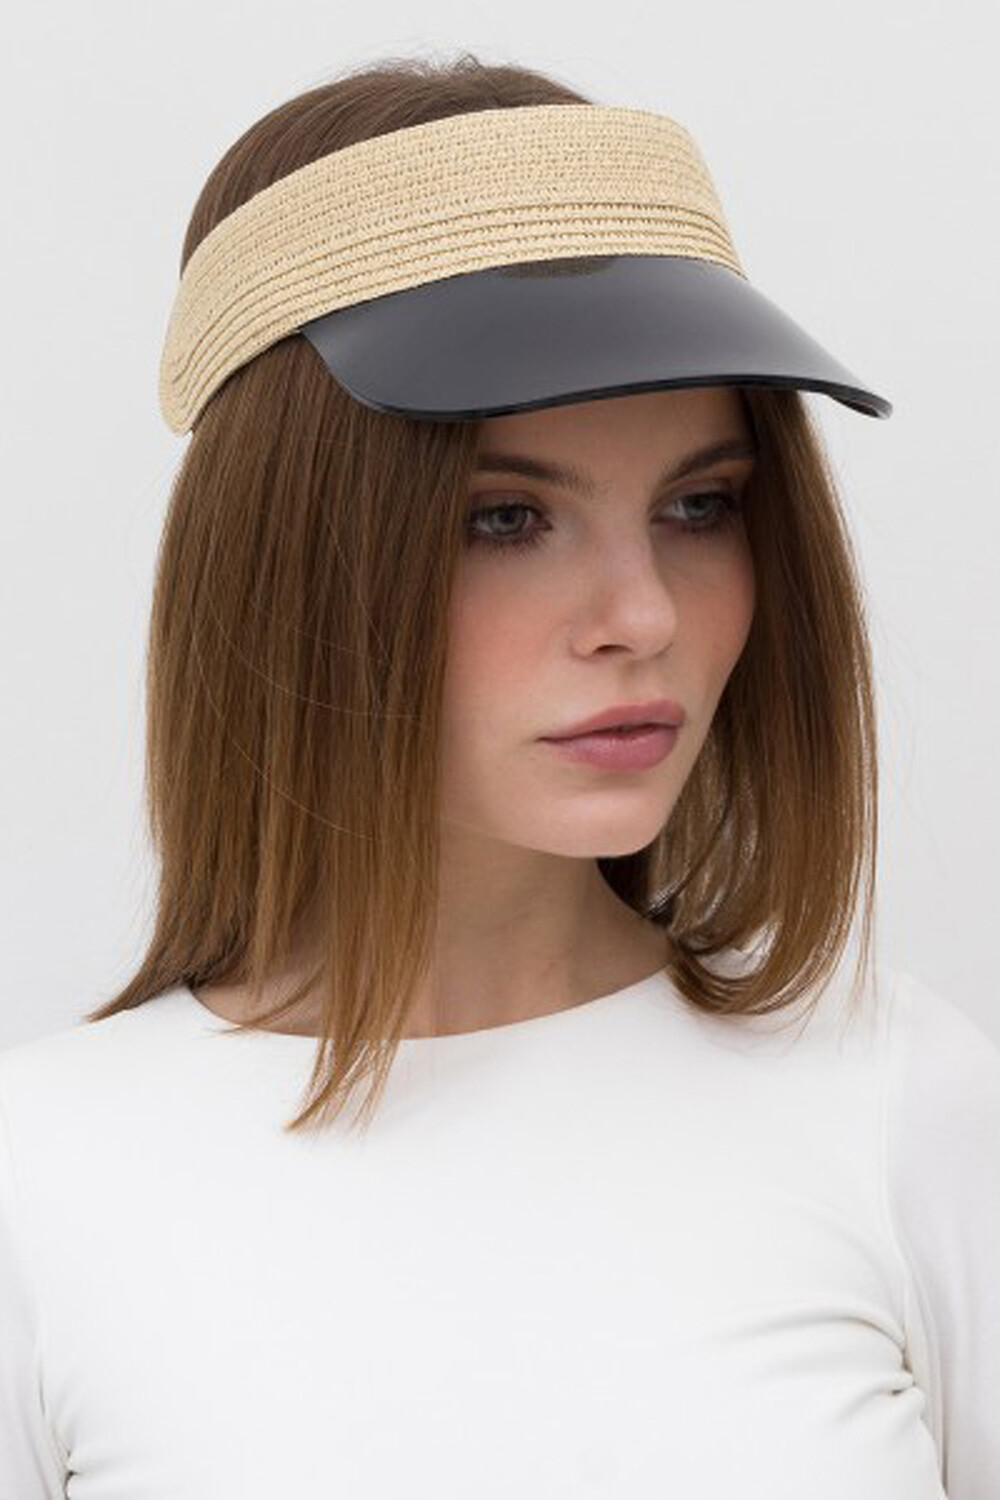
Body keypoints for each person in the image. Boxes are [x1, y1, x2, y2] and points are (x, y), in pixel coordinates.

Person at [1, 51, 997, 1500]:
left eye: (700, 506)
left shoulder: (901, 1101)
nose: (643, 616)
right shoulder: (43, 1184)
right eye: (506, 519)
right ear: (285, 561)